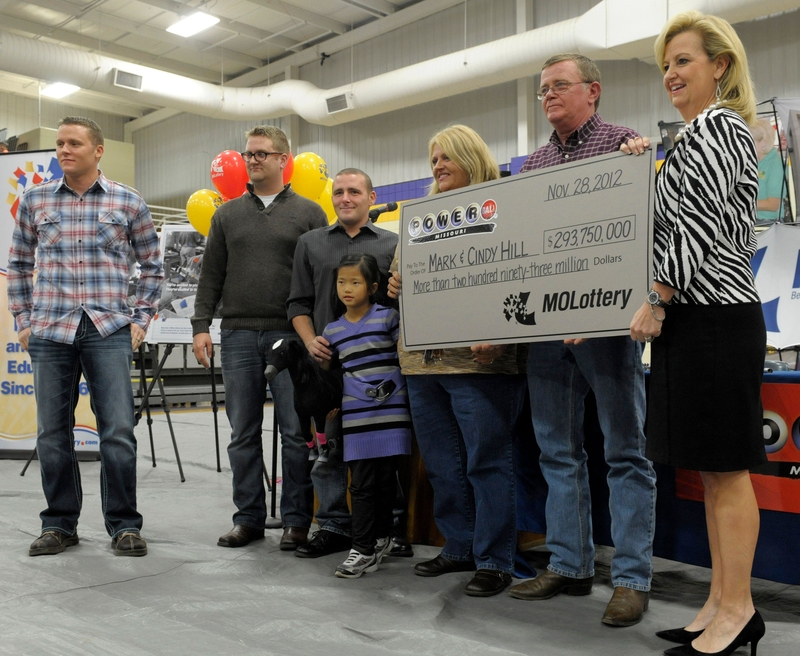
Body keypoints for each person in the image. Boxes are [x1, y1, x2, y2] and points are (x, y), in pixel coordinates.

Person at [626, 12, 767, 655]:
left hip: (712, 317)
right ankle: (719, 600)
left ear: (721, 66)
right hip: (698, 319)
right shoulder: (692, 137)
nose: (671, 74)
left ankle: (739, 608)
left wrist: (656, 299)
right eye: (666, 64)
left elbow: (697, 229)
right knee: (711, 472)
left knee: (728, 472)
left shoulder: (720, 129)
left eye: (683, 60)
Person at [506, 54, 657, 627]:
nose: (548, 96)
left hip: (609, 329)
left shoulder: (627, 148)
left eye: (559, 86)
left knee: (625, 450)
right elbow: (523, 245)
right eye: (543, 89)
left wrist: (644, 170)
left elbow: (643, 232)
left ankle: (631, 578)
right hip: (547, 331)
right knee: (557, 450)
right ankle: (569, 565)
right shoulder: (534, 163)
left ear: (592, 91)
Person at [7, 116, 164, 557]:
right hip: (50, 331)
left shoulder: (127, 201)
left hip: (109, 330)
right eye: (59, 144)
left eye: (74, 143)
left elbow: (152, 267)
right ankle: (59, 524)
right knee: (52, 434)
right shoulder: (35, 200)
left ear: (98, 151)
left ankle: (124, 525)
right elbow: (18, 266)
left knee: (117, 432)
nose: (63, 150)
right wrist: (23, 320)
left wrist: (140, 320)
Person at [387, 124, 526, 598]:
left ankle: (494, 558)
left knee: (487, 462)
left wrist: (499, 332)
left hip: (479, 362)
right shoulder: (420, 217)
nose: (438, 166)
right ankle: (460, 545)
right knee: (444, 464)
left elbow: (518, 272)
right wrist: (396, 285)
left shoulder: (505, 209)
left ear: (472, 156)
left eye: (447, 157)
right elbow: (400, 276)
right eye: (433, 160)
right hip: (422, 363)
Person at [192, 126, 328, 551]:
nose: (252, 161)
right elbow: (211, 275)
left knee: (294, 432)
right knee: (242, 433)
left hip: (289, 337)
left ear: (283, 160)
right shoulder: (226, 214)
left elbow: (319, 278)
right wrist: (200, 326)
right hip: (235, 335)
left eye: (262, 154)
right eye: (248, 154)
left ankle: (295, 522)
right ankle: (247, 518)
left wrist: (317, 336)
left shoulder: (309, 214)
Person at [286, 168, 400, 559]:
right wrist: (310, 341)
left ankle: (389, 528)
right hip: (326, 369)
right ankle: (333, 524)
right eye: (338, 192)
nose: (345, 198)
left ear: (371, 196)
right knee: (329, 450)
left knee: (385, 450)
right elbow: (297, 303)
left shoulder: (394, 244)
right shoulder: (310, 244)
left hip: (379, 369)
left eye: (354, 191)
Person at [321, 253, 412, 578]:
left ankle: (382, 536)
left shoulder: (388, 318)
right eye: (341, 282)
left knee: (387, 481)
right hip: (356, 418)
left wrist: (391, 386)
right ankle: (361, 548)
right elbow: (330, 375)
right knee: (360, 484)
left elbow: (404, 358)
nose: (347, 288)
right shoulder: (332, 330)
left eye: (355, 282)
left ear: (372, 286)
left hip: (391, 413)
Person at [751, 119, 786, 222]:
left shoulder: (776, 163)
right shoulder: (753, 160)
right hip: (751, 219)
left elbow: (773, 204)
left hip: (768, 222)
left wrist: (739, 204)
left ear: (763, 143)